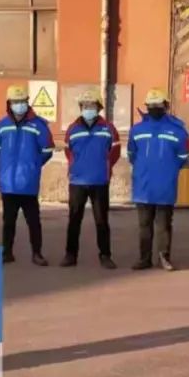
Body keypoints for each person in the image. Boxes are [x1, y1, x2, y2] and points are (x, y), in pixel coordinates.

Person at [127, 88, 189, 271]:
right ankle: (144, 258)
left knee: (164, 225)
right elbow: (132, 154)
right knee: (144, 225)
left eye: (158, 104)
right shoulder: (136, 130)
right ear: (146, 107)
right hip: (143, 185)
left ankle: (164, 257)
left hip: (165, 185)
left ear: (166, 106)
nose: (155, 107)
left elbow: (183, 156)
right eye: (151, 104)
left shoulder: (178, 130)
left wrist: (169, 170)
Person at [0, 84, 54, 266]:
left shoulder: (39, 125)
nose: (18, 105)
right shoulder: (2, 125)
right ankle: (7, 253)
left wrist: (33, 165)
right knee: (8, 222)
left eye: (22, 101)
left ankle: (37, 253)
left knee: (33, 221)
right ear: (9, 103)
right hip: (8, 183)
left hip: (28, 182)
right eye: (15, 101)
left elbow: (47, 150)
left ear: (27, 102)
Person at [61, 88, 121, 269]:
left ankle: (105, 255)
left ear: (99, 107)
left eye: (92, 105)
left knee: (101, 221)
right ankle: (70, 255)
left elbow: (115, 151)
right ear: (81, 107)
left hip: (100, 181)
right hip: (77, 181)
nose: (88, 108)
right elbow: (68, 151)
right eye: (85, 105)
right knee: (74, 220)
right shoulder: (72, 129)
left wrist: (104, 166)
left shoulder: (108, 128)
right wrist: (76, 166)